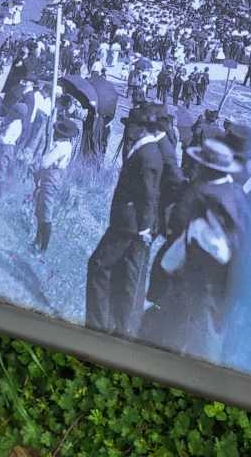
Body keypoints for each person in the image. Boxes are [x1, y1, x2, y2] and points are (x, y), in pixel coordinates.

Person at [140, 138, 248, 360]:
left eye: (201, 165)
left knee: (195, 348)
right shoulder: (234, 194)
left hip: (200, 291)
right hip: (203, 289)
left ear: (208, 169)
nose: (196, 168)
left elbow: (218, 252)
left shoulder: (209, 199)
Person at [85, 103, 166, 337]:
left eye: (130, 124)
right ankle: (114, 326)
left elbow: (150, 195)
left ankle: (98, 325)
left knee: (99, 266)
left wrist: (144, 230)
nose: (127, 128)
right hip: (129, 225)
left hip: (130, 227)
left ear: (141, 127)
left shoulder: (148, 154)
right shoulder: (144, 149)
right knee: (122, 277)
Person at [30, 115, 78, 253]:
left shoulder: (59, 147)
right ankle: (37, 242)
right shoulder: (68, 145)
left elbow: (45, 162)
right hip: (55, 177)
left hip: (51, 176)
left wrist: (37, 166)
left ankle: (42, 248)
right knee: (42, 209)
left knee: (45, 212)